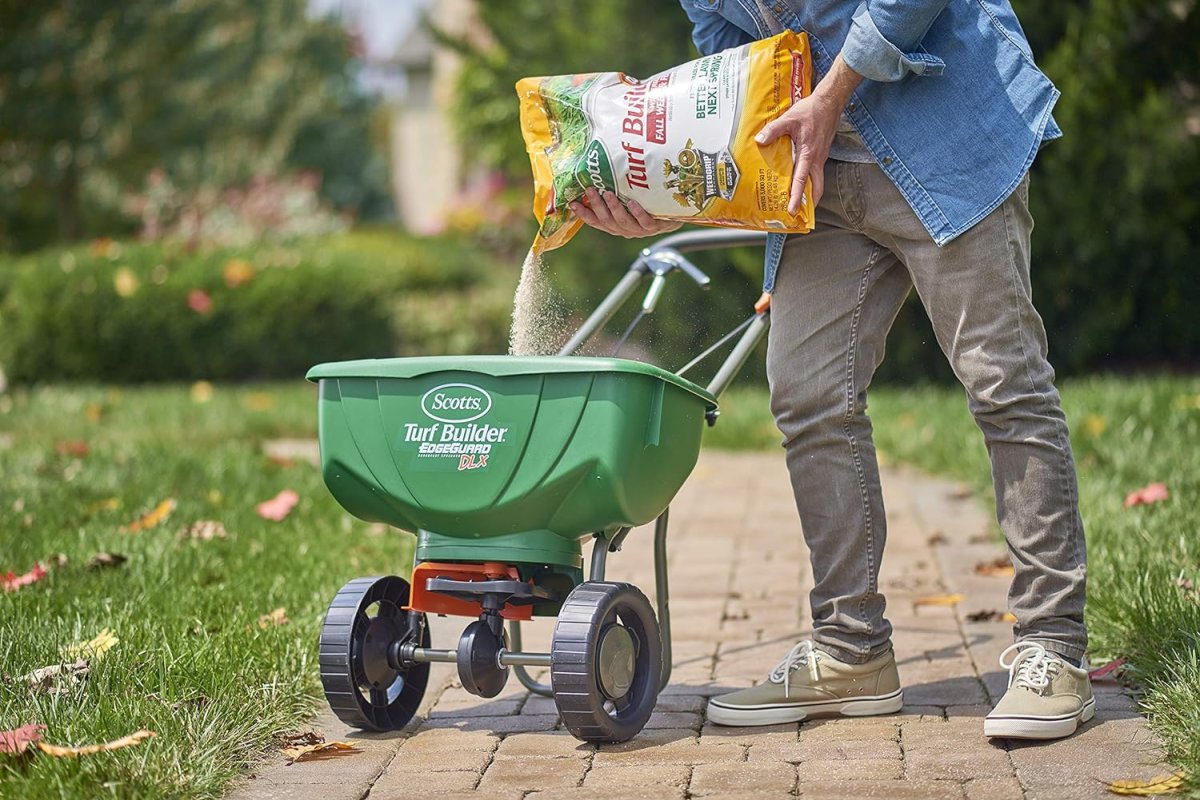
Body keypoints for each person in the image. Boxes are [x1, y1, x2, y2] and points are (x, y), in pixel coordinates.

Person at [569, 0, 1091, 741]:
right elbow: (734, 83)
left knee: (1003, 382)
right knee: (808, 394)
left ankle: (1055, 648)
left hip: (945, 135)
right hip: (820, 182)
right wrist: (675, 194)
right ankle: (852, 652)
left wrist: (831, 96)